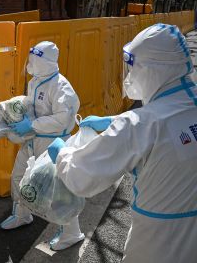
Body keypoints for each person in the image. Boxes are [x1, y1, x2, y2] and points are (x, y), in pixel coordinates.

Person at [48, 23, 197, 262]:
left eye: (133, 66)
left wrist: (62, 153)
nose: (129, 75)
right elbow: (170, 121)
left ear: (152, 70)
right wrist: (111, 121)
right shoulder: (188, 100)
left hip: (155, 244)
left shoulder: (138, 125)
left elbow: (81, 178)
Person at [0, 41, 84, 250]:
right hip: (33, 139)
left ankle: (71, 233)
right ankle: (22, 214)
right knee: (20, 176)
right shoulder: (35, 81)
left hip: (53, 142)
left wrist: (32, 125)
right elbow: (32, 105)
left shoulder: (61, 87)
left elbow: (63, 119)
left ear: (46, 62)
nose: (30, 64)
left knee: (58, 189)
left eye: (34, 61)